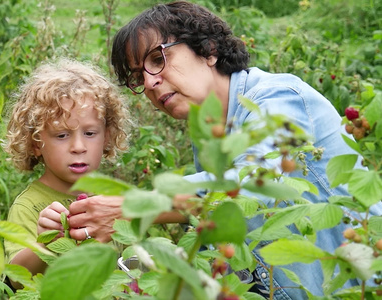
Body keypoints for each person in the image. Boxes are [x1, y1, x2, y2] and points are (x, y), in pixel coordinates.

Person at [67, 1, 382, 299]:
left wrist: (134, 208)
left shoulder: (278, 97)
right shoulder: (210, 139)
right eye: (138, 77)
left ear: (209, 51)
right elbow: (227, 241)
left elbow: (252, 186)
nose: (150, 84)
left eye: (157, 59)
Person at [2, 58, 130, 288]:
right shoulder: (29, 206)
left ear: (107, 136)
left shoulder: (109, 200)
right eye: (61, 135)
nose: (79, 147)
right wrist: (44, 243)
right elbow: (17, 279)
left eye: (90, 133)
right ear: (36, 143)